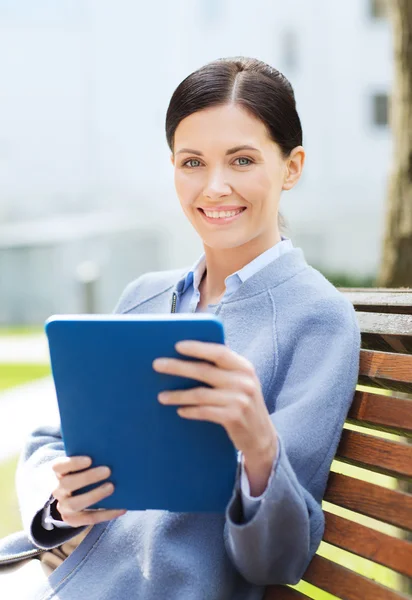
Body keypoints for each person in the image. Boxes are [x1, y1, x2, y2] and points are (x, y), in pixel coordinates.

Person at [0, 56, 361, 599]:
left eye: (242, 160)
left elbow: (277, 561)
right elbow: (50, 440)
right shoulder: (144, 295)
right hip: (63, 565)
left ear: (291, 167)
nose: (214, 187)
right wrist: (63, 501)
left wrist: (261, 449)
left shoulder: (317, 319)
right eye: (192, 162)